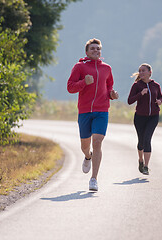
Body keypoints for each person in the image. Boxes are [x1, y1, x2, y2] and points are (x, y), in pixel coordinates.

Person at [67, 38, 119, 191]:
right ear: (87, 52)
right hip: (84, 111)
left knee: (97, 142)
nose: (96, 51)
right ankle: (87, 156)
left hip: (102, 110)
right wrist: (84, 82)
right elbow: (70, 87)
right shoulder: (79, 67)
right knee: (85, 146)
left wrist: (112, 94)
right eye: (93, 49)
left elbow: (109, 86)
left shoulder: (107, 68)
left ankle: (94, 179)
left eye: (98, 49)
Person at [127, 63, 162, 175]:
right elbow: (129, 101)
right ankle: (140, 161)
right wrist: (140, 94)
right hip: (140, 117)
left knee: (147, 139)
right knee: (141, 141)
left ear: (149, 72)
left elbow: (160, 96)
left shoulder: (155, 85)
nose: (141, 72)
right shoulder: (137, 85)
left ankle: (146, 166)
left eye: (143, 70)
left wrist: (160, 101)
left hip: (153, 116)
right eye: (140, 71)